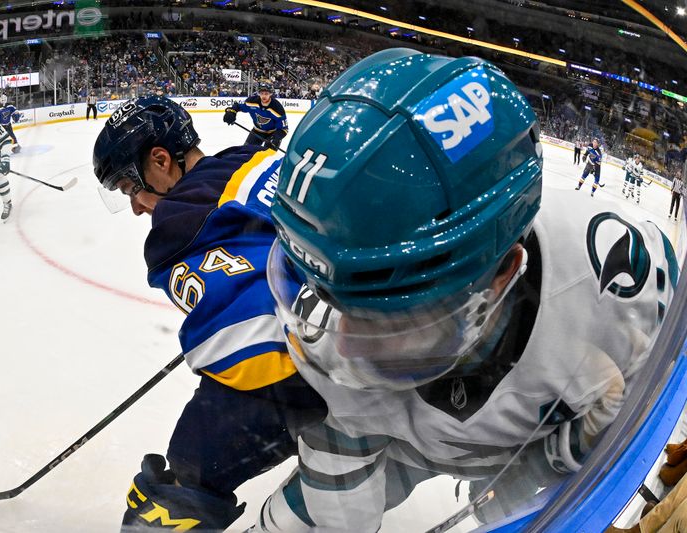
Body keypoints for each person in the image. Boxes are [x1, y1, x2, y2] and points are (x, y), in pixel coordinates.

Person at [253, 48, 679, 531]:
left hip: (495, 453)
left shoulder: (616, 280)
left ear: (504, 274)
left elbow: (639, 394)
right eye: (328, 295)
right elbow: (337, 505)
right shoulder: (333, 325)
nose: (342, 343)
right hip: (415, 448)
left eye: (394, 311)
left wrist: (534, 472)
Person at [92, 96, 326, 531]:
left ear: (160, 160)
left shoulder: (174, 231)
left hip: (324, 374)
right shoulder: (257, 156)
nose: (137, 206)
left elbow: (264, 358)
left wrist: (188, 472)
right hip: (404, 331)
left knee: (170, 501)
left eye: (129, 188)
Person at [223, 83, 288, 150]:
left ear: (270, 94)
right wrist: (231, 112)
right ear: (258, 93)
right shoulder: (252, 101)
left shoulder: (277, 108)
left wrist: (275, 137)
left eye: (266, 94)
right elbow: (238, 106)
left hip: (273, 133)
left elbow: (284, 129)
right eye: (262, 93)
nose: (264, 96)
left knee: (269, 157)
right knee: (245, 152)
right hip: (257, 131)